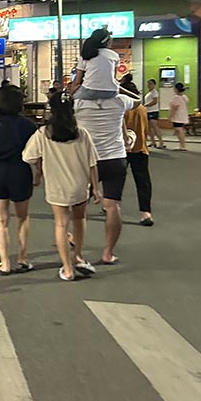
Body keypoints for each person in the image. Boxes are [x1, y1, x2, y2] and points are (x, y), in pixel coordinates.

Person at [22, 92, 100, 281]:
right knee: (80, 220)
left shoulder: (43, 134)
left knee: (61, 224)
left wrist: (41, 167)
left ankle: (67, 269)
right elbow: (93, 163)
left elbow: (27, 157)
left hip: (57, 187)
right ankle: (79, 257)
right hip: (80, 186)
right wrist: (96, 189)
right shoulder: (81, 132)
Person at [74, 86, 139, 266]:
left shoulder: (79, 103)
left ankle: (75, 239)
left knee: (79, 203)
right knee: (112, 206)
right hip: (115, 158)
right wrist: (117, 87)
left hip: (88, 159)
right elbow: (139, 100)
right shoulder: (119, 101)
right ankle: (108, 253)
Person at [0, 86, 37, 275]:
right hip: (20, 170)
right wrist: (39, 173)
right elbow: (36, 153)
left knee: (0, 220)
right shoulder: (28, 125)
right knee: (22, 217)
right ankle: (22, 258)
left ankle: (4, 263)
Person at [120, 81, 154, 226]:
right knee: (143, 181)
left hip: (122, 149)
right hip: (140, 148)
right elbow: (145, 129)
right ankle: (146, 212)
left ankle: (111, 205)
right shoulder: (142, 109)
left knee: (116, 178)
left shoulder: (122, 109)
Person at [69, 28, 120, 100]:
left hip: (90, 90)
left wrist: (71, 94)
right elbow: (113, 77)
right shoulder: (114, 55)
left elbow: (77, 81)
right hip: (112, 92)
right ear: (107, 41)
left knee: (73, 102)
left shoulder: (86, 54)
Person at [143, 78, 165, 149]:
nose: (149, 85)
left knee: (155, 127)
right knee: (149, 128)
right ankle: (153, 142)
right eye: (148, 83)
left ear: (154, 85)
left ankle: (161, 142)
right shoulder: (148, 93)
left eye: (151, 83)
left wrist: (146, 105)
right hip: (148, 111)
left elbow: (155, 101)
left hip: (153, 111)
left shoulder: (154, 92)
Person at [168, 82, 190, 151]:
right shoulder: (184, 97)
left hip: (177, 116)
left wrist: (170, 116)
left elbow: (174, 108)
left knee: (179, 130)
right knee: (179, 130)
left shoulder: (176, 98)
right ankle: (182, 145)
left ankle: (182, 145)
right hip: (183, 115)